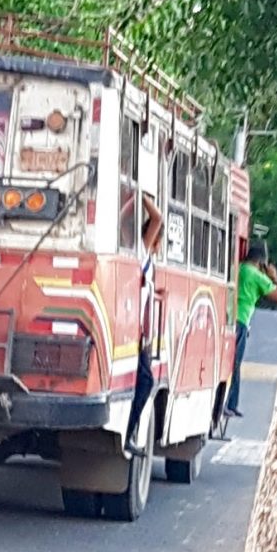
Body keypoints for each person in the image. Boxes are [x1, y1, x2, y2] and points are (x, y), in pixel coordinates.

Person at [124, 192, 163, 457]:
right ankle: (128, 435)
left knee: (145, 382)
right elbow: (158, 218)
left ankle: (130, 434)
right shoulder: (142, 251)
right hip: (136, 330)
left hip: (142, 330)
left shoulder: (144, 256)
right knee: (145, 382)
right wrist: (142, 195)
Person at [226, 243, 277, 418]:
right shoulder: (257, 276)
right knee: (235, 364)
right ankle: (230, 404)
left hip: (229, 318)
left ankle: (229, 403)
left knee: (230, 363)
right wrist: (274, 277)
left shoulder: (238, 269)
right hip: (241, 321)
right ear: (261, 262)